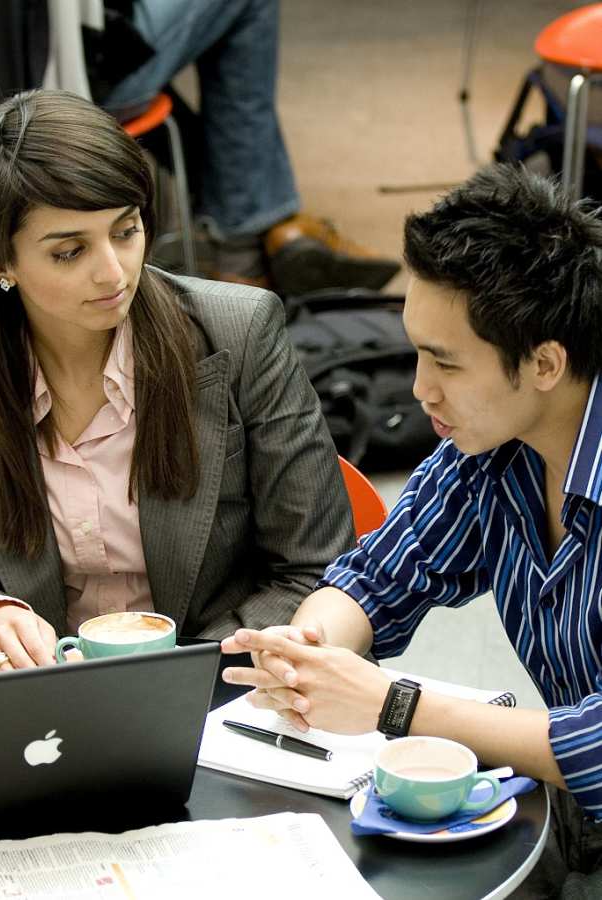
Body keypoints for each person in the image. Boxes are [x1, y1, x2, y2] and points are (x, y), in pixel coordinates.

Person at [221, 164, 602, 898]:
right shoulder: (494, 450)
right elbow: (378, 575)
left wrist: (394, 703)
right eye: (417, 350)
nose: (421, 387)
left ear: (546, 363)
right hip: (566, 813)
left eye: (445, 363)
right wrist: (310, 650)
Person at [0, 88, 355, 675]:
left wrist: (179, 678)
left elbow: (315, 568)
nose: (113, 272)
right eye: (70, 252)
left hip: (223, 680)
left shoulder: (240, 332)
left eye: (126, 230)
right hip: (35, 695)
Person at [92, 0, 399, 294]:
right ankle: (250, 244)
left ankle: (254, 244)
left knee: (216, 18)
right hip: (87, 72)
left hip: (79, 60)